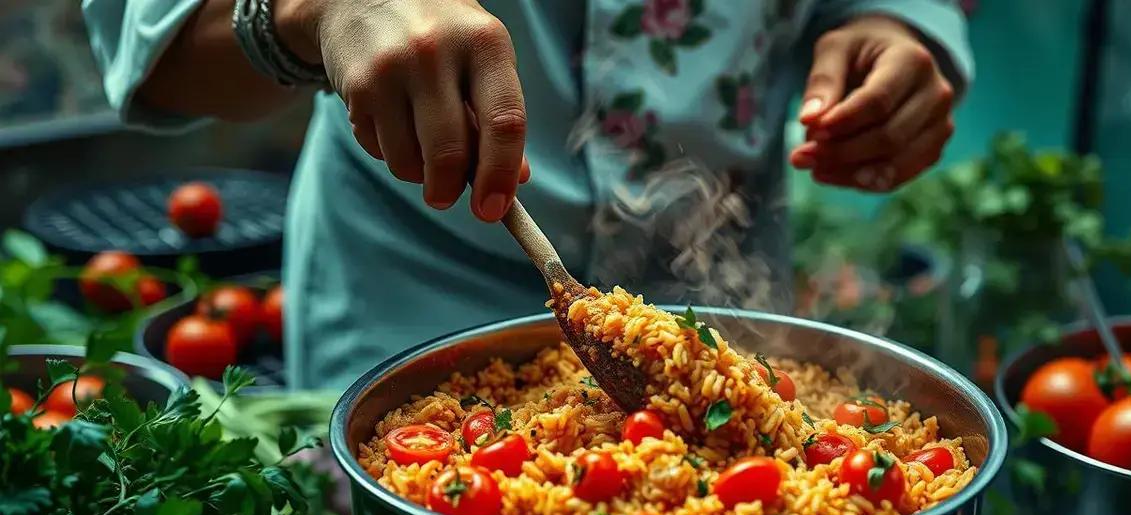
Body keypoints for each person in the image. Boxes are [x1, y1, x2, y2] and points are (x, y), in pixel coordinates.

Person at [81, 0, 971, 390]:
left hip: (737, 306)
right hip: (411, 305)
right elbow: (143, 28)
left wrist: (892, 23)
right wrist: (320, 8)